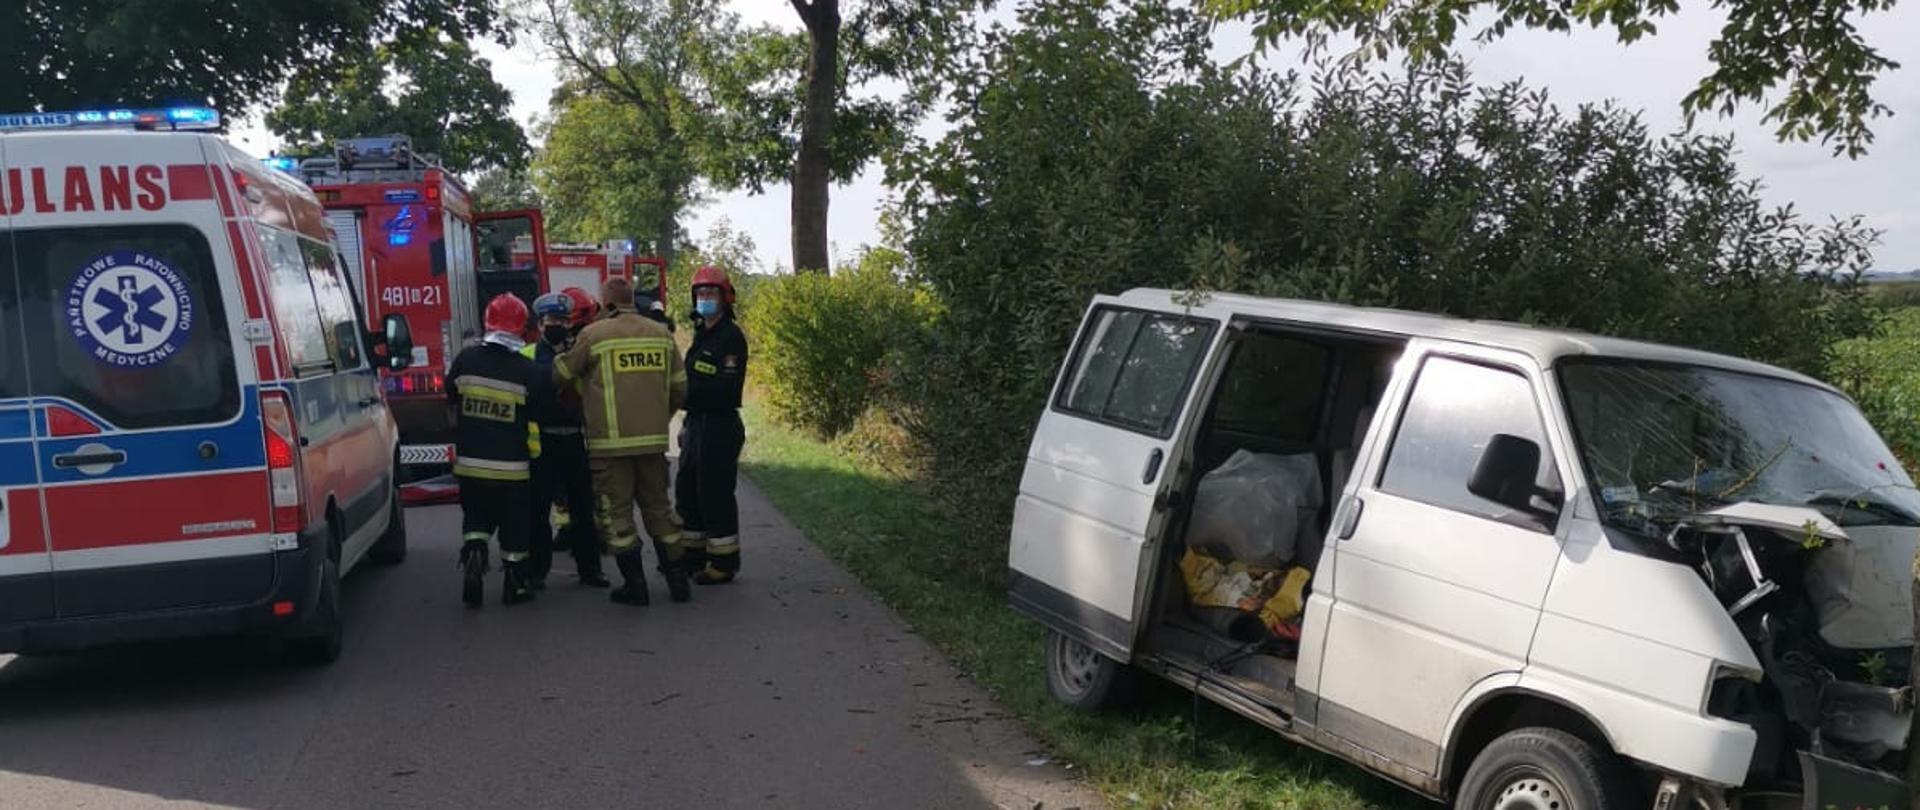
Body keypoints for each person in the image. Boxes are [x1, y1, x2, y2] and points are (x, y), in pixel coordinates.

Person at [556, 276, 692, 606]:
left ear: (608, 304)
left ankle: (636, 586)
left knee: (617, 515)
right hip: (654, 443)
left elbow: (560, 375)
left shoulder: (593, 334)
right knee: (660, 511)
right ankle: (678, 583)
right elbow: (679, 388)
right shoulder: (661, 335)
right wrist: (659, 417)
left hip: (610, 447)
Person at [447, 293, 549, 607]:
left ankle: (476, 552)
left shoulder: (466, 359)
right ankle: (515, 586)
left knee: (475, 518)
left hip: (470, 466)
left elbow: (451, 396)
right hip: (512, 469)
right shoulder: (526, 369)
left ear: (487, 323)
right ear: (522, 328)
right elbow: (540, 412)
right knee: (514, 526)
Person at [520, 291, 609, 590]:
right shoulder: (529, 354)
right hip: (542, 442)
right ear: (540, 324)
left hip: (574, 439)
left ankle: (590, 570)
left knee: (583, 509)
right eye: (551, 320)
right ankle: (536, 571)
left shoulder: (580, 351)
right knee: (538, 510)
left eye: (561, 319)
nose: (556, 325)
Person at [675, 265, 749, 585]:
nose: (705, 298)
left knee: (714, 494)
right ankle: (692, 557)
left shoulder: (730, 337)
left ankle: (723, 563)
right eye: (701, 293)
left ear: (725, 297)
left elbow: (726, 389)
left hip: (719, 425)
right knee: (687, 491)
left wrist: (686, 394)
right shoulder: (701, 332)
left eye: (711, 293)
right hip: (697, 424)